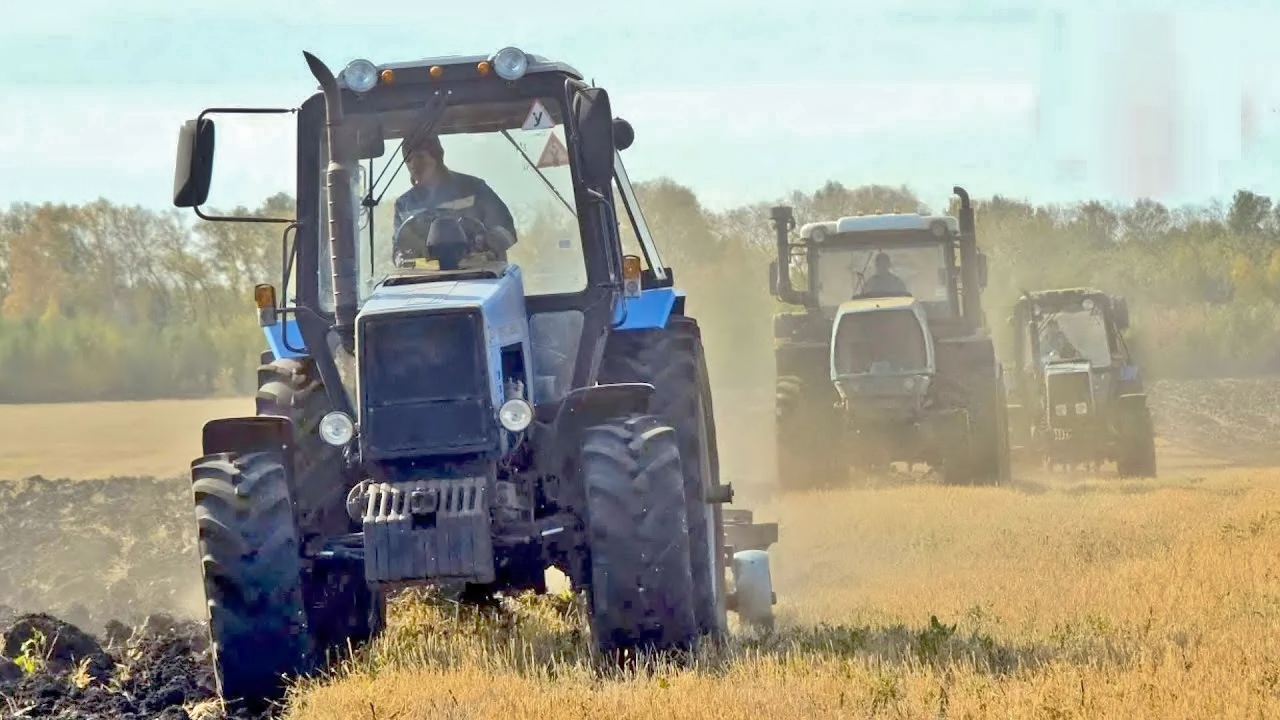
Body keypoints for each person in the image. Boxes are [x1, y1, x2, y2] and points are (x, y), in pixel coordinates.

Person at [392, 131, 518, 263]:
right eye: (408, 159)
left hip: (480, 277)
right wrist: (402, 258)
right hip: (426, 280)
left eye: (419, 157)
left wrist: (486, 244)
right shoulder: (404, 205)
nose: (412, 164)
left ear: (436, 156)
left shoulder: (474, 189)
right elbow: (399, 249)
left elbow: (506, 229)